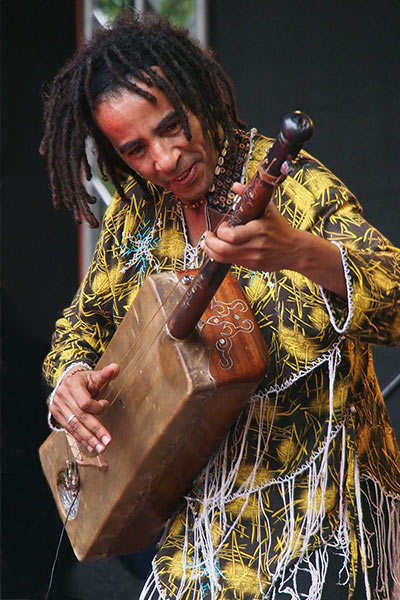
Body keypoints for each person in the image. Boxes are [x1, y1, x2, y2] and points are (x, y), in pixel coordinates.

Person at [40, 11, 400, 600]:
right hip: (205, 531)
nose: (164, 160)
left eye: (171, 126)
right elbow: (80, 326)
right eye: (134, 150)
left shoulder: (294, 184)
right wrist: (72, 378)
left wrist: (299, 251)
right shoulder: (136, 214)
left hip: (321, 519)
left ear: (197, 96)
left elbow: (396, 294)